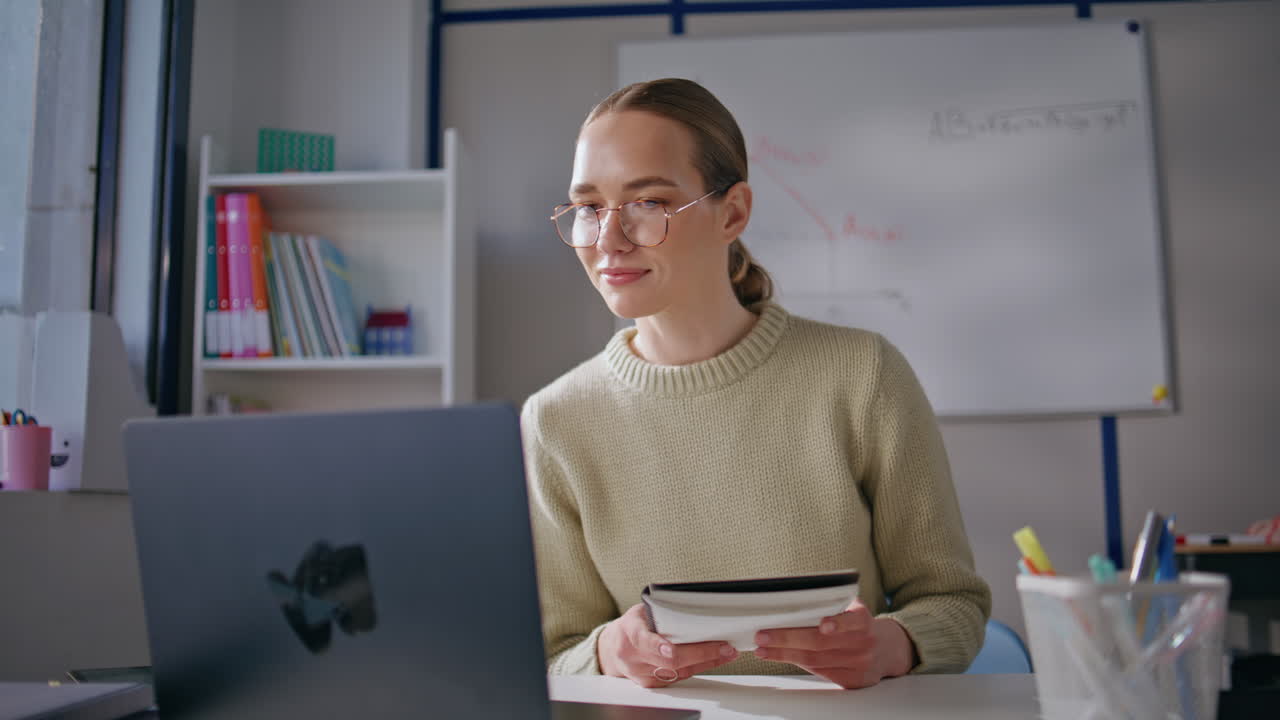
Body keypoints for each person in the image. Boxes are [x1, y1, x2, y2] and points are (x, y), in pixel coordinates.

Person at [521, 78, 991, 690]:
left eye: (648, 202)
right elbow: (554, 653)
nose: (608, 238)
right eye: (588, 208)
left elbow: (953, 604)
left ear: (734, 212)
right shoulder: (556, 419)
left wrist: (891, 644)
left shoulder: (861, 375)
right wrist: (609, 651)